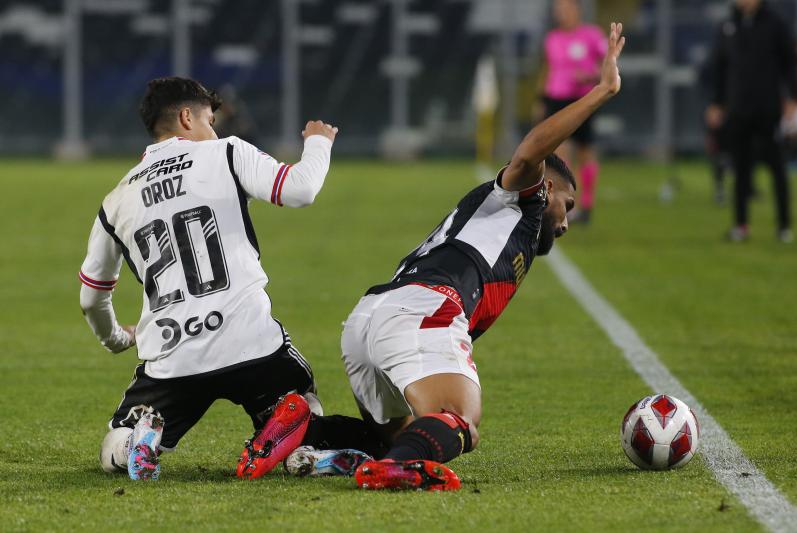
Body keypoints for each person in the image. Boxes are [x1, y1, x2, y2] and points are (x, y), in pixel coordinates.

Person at [246, 22, 623, 491]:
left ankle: (304, 428)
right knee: (458, 420)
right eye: (567, 205)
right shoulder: (523, 201)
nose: (564, 224)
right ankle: (391, 472)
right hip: (424, 311)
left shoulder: (507, 228)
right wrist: (601, 92)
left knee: (402, 437)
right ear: (547, 187)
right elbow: (531, 149)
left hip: (369, 319)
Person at [79, 76, 338, 480]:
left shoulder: (116, 199)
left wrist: (116, 338)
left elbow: (91, 298)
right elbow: (300, 190)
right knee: (303, 403)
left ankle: (137, 441)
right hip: (252, 344)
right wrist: (319, 141)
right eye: (210, 120)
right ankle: (299, 451)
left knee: (113, 446)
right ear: (186, 117)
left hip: (173, 357)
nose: (214, 130)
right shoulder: (227, 153)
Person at [707, 0, 796, 243]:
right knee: (741, 168)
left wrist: (791, 97)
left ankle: (784, 225)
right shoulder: (728, 24)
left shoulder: (775, 23)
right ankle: (741, 225)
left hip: (768, 108)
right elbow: (719, 67)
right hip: (738, 108)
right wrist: (717, 102)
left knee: (777, 166)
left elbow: (789, 62)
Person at [539, 0, 607, 223]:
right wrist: (541, 99)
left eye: (566, 10)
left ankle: (587, 204)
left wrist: (591, 75)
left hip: (582, 100)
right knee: (560, 153)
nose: (561, 14)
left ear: (577, 10)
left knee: (586, 150)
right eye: (558, 11)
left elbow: (609, 63)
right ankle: (567, 204)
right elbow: (548, 70)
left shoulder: (592, 35)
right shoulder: (552, 38)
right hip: (557, 100)